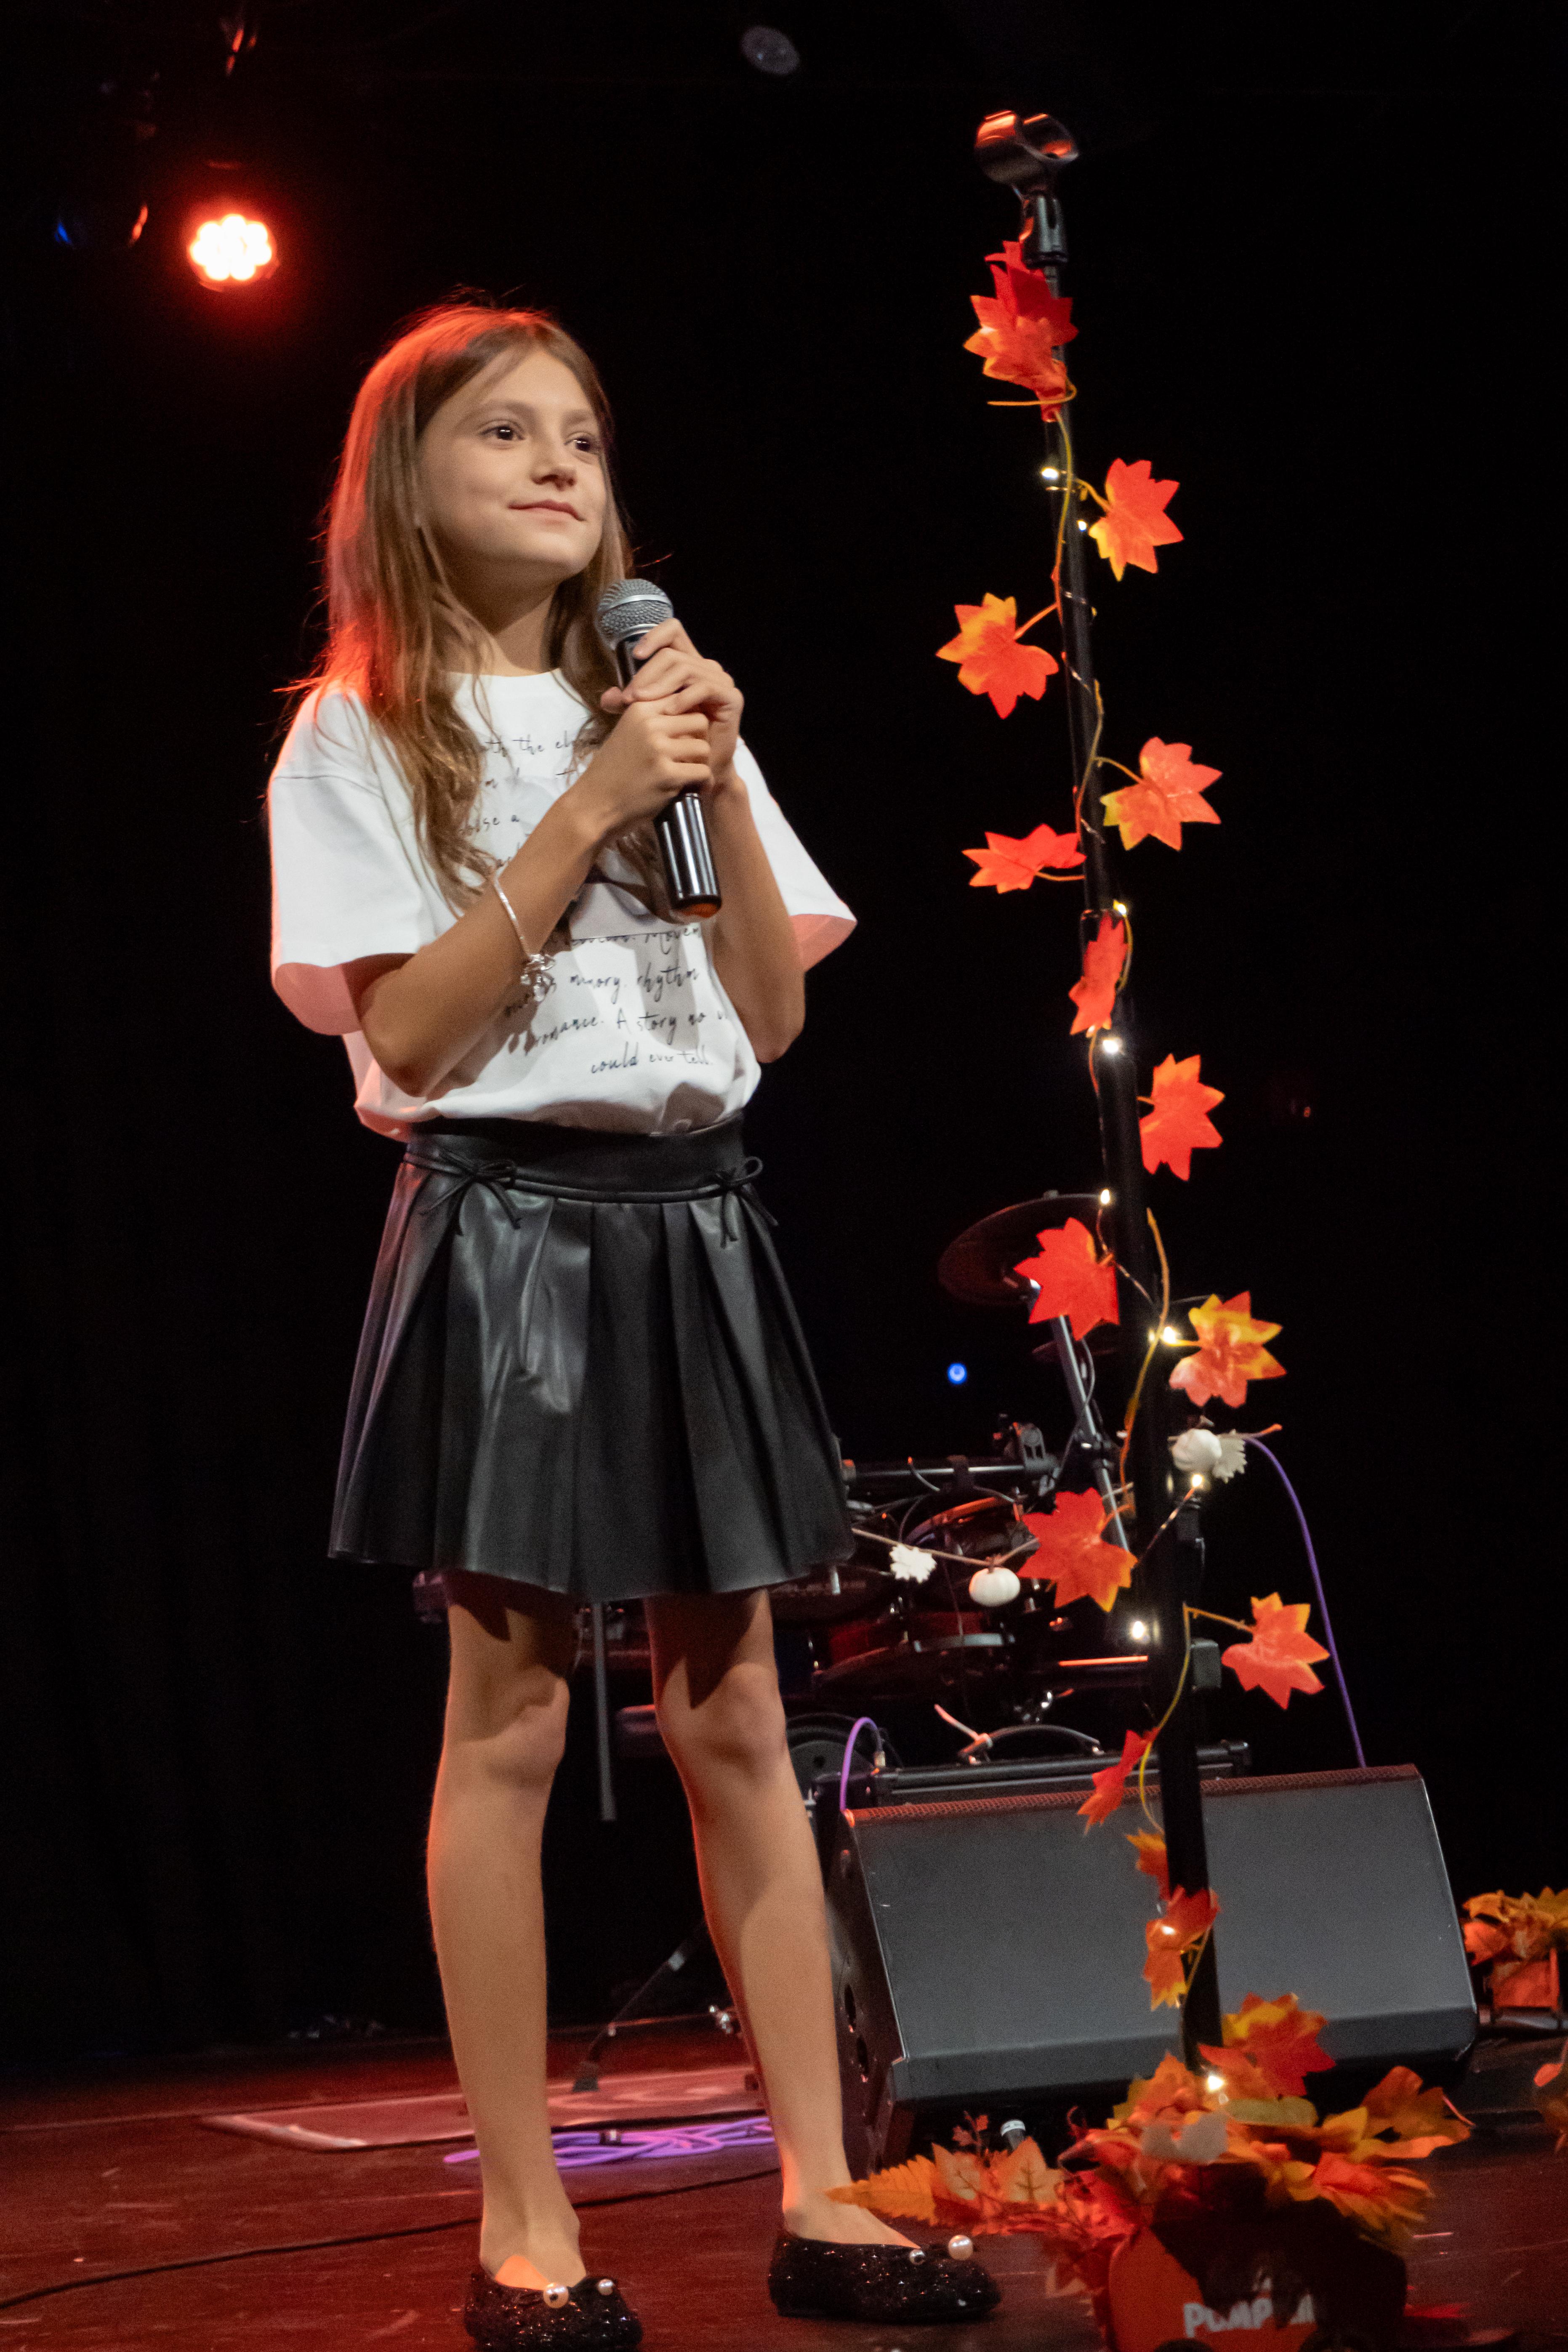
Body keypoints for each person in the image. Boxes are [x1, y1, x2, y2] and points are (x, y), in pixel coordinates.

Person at [267, 302, 999, 2347]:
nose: (557, 465)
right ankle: (525, 2223)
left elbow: (764, 1019)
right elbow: (405, 1030)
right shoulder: (359, 728)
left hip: (692, 1214)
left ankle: (822, 2194)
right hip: (505, 1221)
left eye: (582, 435)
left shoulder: (663, 706)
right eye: (503, 431)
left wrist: (696, 756)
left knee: (740, 1714)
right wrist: (587, 801)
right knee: (505, 1718)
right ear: (403, 479)